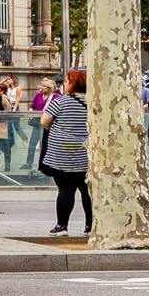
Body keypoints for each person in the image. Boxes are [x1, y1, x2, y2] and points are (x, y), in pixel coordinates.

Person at [40, 70, 92, 234]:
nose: (65, 84)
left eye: (68, 81)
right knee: (88, 191)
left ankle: (62, 225)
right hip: (86, 152)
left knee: (65, 189)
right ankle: (90, 226)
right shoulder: (94, 103)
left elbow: (44, 121)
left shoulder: (61, 102)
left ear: (73, 84)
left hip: (62, 154)